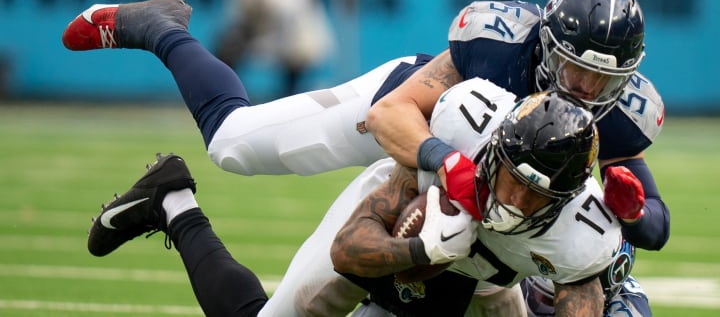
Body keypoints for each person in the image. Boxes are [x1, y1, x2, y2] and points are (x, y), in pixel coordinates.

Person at [61, 0, 665, 312]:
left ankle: (171, 201)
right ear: (545, 44)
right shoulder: (498, 49)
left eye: (605, 78)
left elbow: (653, 225)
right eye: (576, 70)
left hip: (477, 216)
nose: (586, 90)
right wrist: (443, 159)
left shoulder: (618, 117)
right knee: (234, 144)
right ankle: (161, 28)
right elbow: (392, 116)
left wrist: (633, 208)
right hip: (417, 121)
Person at [85, 86, 618, 316]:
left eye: (534, 194)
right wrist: (419, 251)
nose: (513, 196)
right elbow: (349, 251)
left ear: (566, 201)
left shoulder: (582, 237)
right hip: (412, 232)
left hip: (492, 278)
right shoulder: (465, 127)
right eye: (508, 176)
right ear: (495, 147)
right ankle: (175, 204)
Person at [214, 0, 335, 98]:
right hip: (278, 38)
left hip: (302, 36)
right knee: (228, 49)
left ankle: (287, 102)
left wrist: (256, 47)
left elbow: (290, 40)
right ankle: (224, 93)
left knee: (293, 72)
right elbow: (235, 25)